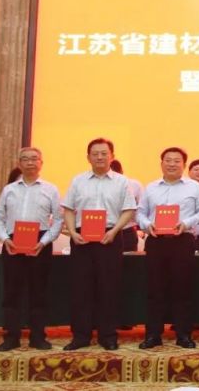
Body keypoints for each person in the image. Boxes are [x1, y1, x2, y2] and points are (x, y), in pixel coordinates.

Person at [61, 138, 137, 351]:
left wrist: (114, 231)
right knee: (80, 288)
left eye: (104, 153)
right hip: (82, 239)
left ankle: (108, 335)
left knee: (109, 288)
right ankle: (80, 336)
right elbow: (68, 208)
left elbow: (129, 210)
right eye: (95, 154)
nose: (100, 157)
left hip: (110, 237)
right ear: (88, 157)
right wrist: (73, 232)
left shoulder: (122, 181)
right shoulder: (78, 181)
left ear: (112, 156)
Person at [136, 147, 199, 349]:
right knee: (154, 289)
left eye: (177, 161)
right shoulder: (151, 187)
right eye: (168, 160)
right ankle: (153, 335)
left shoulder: (194, 187)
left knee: (183, 288)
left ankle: (184, 335)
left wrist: (186, 223)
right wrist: (147, 225)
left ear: (183, 165)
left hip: (182, 240)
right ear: (161, 164)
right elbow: (140, 213)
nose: (172, 164)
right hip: (156, 241)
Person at [0, 147, 63, 351]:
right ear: (19, 164)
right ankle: (11, 337)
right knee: (11, 292)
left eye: (34, 159)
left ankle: (38, 337)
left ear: (41, 163)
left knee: (38, 292)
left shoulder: (51, 189)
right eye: (25, 159)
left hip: (40, 243)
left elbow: (58, 220)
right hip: (13, 243)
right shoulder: (9, 190)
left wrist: (44, 241)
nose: (30, 162)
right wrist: (5, 239)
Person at [109, 159, 144, 251]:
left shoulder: (134, 185)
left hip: (127, 231)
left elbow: (142, 209)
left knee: (129, 259)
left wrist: (141, 229)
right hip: (104, 231)